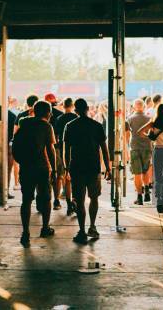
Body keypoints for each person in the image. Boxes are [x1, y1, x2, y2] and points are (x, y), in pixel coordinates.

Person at [64, 98, 111, 244]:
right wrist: (108, 168)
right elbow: (104, 148)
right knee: (94, 198)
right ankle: (92, 226)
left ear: (76, 110)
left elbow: (67, 151)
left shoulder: (70, 126)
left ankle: (82, 231)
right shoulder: (96, 125)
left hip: (77, 167)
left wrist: (67, 168)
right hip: (93, 166)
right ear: (87, 109)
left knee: (79, 200)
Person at [14, 100, 57, 247]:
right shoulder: (46, 126)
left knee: (26, 200)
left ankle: (25, 232)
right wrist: (55, 169)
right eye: (49, 111)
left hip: (26, 167)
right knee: (46, 198)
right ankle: (45, 228)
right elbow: (50, 150)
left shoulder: (24, 123)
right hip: (41, 168)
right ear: (47, 112)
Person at [126, 98, 152, 205]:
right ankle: (147, 191)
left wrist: (128, 146)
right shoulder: (149, 118)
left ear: (134, 107)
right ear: (144, 106)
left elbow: (127, 135)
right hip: (147, 147)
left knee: (137, 173)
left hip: (135, 147)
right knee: (146, 171)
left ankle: (139, 197)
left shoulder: (130, 119)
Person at [54, 97, 78, 215]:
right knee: (74, 178)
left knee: (61, 176)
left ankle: (65, 203)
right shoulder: (76, 118)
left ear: (63, 106)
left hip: (61, 150)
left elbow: (56, 136)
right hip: (75, 150)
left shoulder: (59, 118)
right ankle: (75, 201)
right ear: (72, 106)